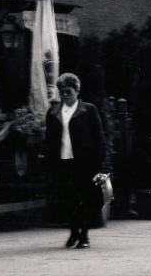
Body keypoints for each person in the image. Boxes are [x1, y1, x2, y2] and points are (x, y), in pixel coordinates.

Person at [45, 72, 106, 249]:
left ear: (77, 91)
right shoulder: (53, 112)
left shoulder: (88, 110)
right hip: (62, 161)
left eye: (68, 91)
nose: (65, 95)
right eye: (62, 92)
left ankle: (84, 235)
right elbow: (49, 139)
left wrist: (99, 162)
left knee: (84, 198)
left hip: (84, 162)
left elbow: (98, 137)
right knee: (67, 198)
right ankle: (74, 231)